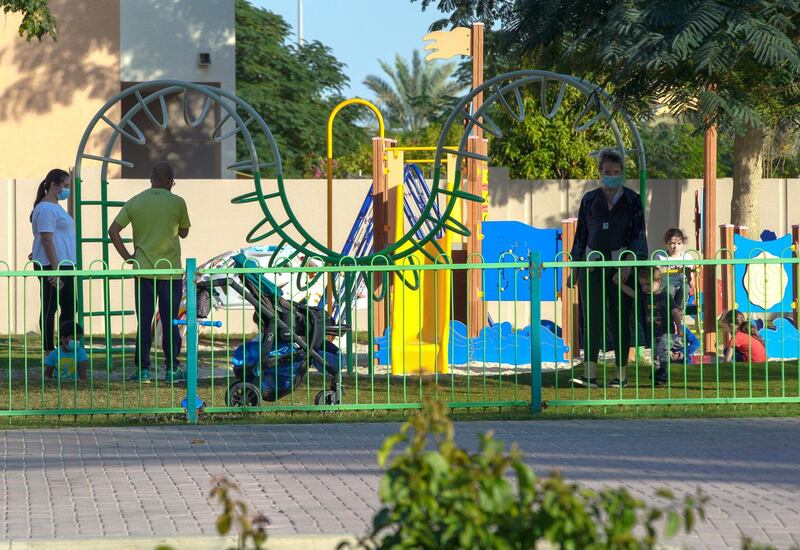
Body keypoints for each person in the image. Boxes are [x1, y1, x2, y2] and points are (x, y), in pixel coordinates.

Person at [568, 149, 648, 389]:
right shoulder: (590, 200)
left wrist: (629, 264)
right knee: (592, 318)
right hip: (592, 264)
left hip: (621, 266)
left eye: (615, 172)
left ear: (622, 173)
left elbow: (638, 235)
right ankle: (589, 375)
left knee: (620, 318)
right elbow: (581, 234)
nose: (611, 176)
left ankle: (620, 376)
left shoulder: (632, 200)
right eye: (607, 172)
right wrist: (575, 266)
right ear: (599, 173)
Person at [108, 161, 191, 383]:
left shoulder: (136, 201)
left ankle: (142, 370)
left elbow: (113, 231)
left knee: (144, 322)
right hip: (170, 271)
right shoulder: (178, 202)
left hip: (143, 270)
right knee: (171, 321)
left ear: (151, 179)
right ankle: (171, 368)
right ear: (170, 181)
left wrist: (128, 257)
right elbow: (183, 233)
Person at [30, 168, 76, 353]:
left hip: (64, 264)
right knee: (50, 308)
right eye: (65, 185)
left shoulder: (55, 207)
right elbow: (46, 239)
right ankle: (49, 350)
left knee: (69, 307)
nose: (67, 189)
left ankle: (66, 348)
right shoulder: (46, 208)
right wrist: (55, 269)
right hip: (54, 265)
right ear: (54, 185)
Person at [614, 269, 680, 385]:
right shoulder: (644, 297)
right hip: (652, 332)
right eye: (642, 285)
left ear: (658, 282)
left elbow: (674, 312)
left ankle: (663, 371)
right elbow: (631, 292)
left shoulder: (665, 296)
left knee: (663, 351)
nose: (645, 287)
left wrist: (679, 327)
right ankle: (659, 377)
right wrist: (620, 284)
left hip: (666, 331)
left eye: (648, 284)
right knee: (655, 354)